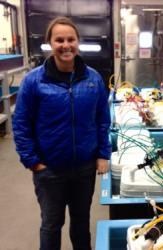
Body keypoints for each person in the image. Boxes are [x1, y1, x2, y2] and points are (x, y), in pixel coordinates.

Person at [12, 16, 111, 250]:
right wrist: (33, 162)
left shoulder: (93, 79)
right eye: (59, 40)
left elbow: (102, 119)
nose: (65, 45)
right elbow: (21, 124)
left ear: (78, 42)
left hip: (84, 168)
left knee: (81, 223)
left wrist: (102, 154)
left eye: (70, 39)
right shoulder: (34, 81)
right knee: (51, 224)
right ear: (50, 43)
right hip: (50, 170)